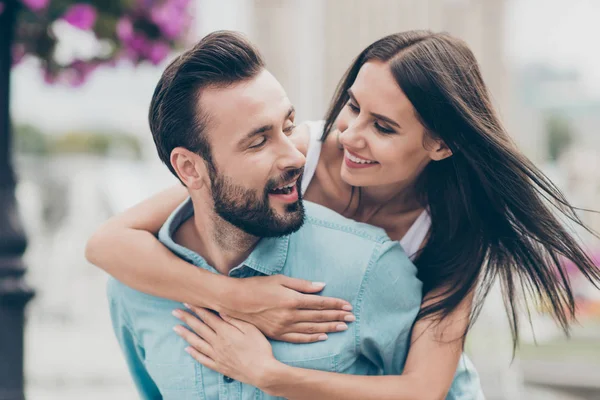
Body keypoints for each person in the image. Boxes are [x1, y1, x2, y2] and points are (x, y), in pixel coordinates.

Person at [87, 30, 600, 399]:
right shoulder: (301, 154)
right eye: (353, 107)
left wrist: (270, 375)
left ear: (440, 144)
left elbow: (425, 388)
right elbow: (108, 243)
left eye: (383, 127)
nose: (350, 135)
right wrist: (237, 297)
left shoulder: (455, 230)